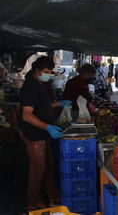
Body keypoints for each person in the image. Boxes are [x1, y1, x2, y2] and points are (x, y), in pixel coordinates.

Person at [19, 56, 71, 211]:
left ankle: (53, 195)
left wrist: (59, 103)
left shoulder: (39, 84)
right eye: (46, 72)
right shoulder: (30, 87)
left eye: (50, 72)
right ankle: (33, 201)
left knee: (47, 166)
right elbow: (27, 114)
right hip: (35, 135)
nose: (48, 74)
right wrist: (48, 127)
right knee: (37, 168)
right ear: (37, 71)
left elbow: (42, 105)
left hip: (42, 134)